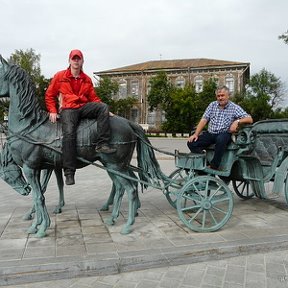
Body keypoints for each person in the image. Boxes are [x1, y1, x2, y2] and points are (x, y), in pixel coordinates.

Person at [45, 49, 116, 185]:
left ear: (82, 61)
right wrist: (53, 110)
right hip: (69, 109)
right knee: (69, 134)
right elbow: (49, 95)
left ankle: (102, 144)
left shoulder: (86, 79)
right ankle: (69, 172)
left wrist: (106, 111)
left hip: (82, 107)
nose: (76, 61)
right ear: (69, 61)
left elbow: (93, 98)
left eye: (78, 58)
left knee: (103, 107)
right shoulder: (60, 76)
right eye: (74, 58)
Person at [187, 85, 253, 170]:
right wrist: (196, 134)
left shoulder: (234, 107)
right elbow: (204, 120)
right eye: (218, 96)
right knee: (191, 143)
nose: (220, 98)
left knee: (221, 139)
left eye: (222, 95)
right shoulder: (212, 105)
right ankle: (205, 161)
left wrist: (237, 121)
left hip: (224, 133)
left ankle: (214, 166)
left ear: (228, 96)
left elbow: (250, 119)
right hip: (210, 134)